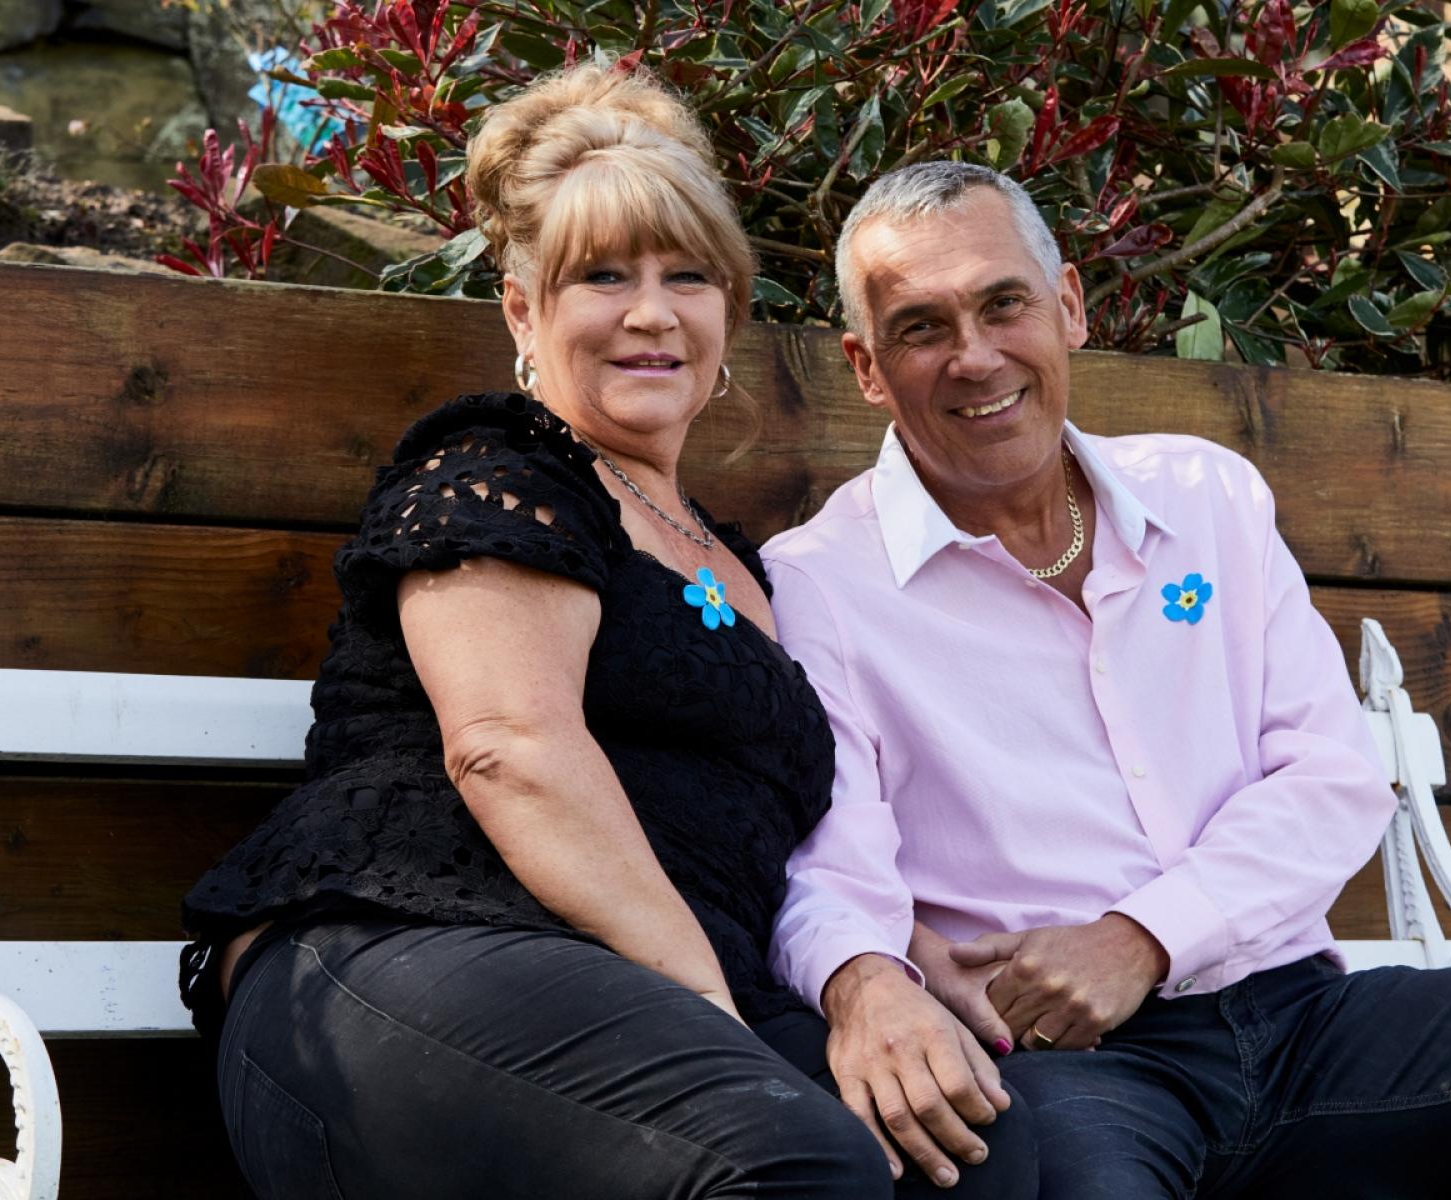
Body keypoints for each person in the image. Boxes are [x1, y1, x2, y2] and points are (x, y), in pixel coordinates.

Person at [761, 159, 1451, 1199]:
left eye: (1002, 303)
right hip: (1070, 1072)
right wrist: (862, 986)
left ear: (1068, 305)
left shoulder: (1205, 497)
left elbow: (1329, 776)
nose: (975, 357)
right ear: (866, 366)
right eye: (923, 328)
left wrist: (1142, 939)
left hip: (1304, 1027)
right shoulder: (825, 581)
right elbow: (830, 870)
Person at [178, 70, 1033, 1198]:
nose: (651, 311)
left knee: (990, 1161)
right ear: (524, 310)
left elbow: (793, 848)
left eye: (688, 276)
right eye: (602, 276)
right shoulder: (504, 472)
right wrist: (727, 1024)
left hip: (650, 1008)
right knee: (788, 1154)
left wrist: (885, 972)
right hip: (406, 960)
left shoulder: (746, 567)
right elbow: (510, 753)